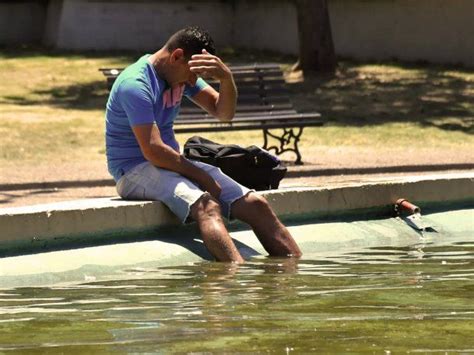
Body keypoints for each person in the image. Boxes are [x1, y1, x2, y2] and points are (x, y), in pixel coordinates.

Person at [105, 26, 301, 262]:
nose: (193, 80)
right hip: (134, 170)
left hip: (169, 165)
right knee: (207, 205)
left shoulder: (181, 74)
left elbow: (223, 112)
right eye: (192, 73)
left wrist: (226, 79)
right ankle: (234, 281)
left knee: (256, 204)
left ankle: (295, 274)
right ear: (176, 56)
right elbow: (153, 151)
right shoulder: (135, 84)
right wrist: (203, 177)